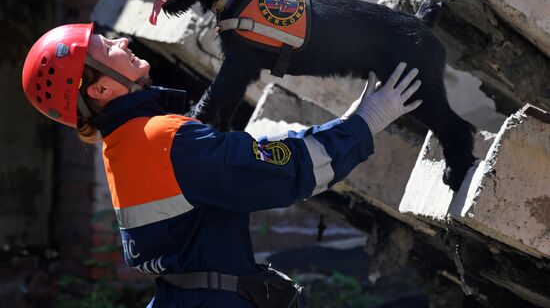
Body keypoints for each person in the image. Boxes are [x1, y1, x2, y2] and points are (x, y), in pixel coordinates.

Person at [22, 23, 422, 308]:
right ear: (101, 89)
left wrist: (342, 124)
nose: (122, 40)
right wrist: (364, 125)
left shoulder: (124, 144)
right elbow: (281, 172)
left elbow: (249, 152)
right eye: (106, 47)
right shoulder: (163, 139)